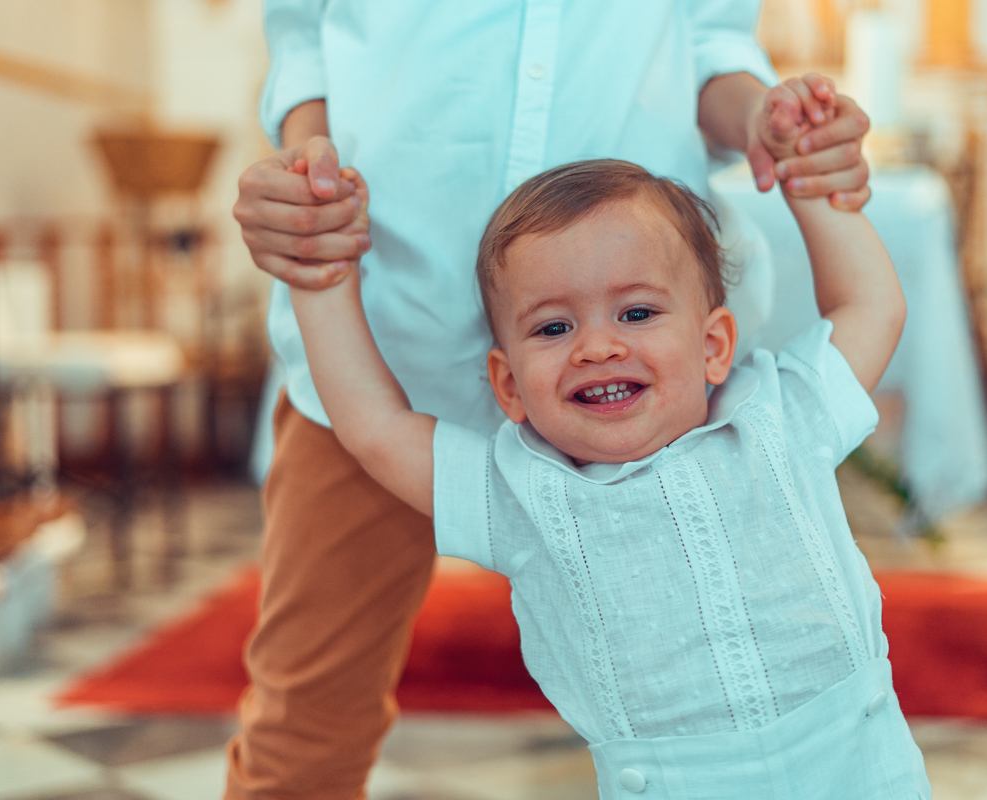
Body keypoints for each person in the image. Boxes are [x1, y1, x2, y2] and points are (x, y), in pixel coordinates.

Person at [227, 3, 874, 798]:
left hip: (656, 414)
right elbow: (304, 39)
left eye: (628, 316)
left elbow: (709, 41)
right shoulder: (417, 417)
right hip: (388, 326)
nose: (598, 344)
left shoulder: (760, 429)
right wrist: (310, 219)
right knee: (307, 731)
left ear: (716, 341)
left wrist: (778, 131)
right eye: (571, 327)